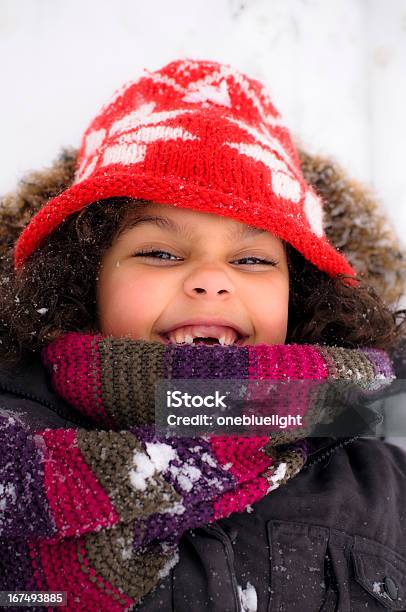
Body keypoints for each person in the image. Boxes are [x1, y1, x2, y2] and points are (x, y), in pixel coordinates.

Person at [1, 58, 406, 611]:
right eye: (160, 252)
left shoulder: (383, 486)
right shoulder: (15, 452)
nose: (213, 280)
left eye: (252, 258)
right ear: (83, 278)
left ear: (302, 294)